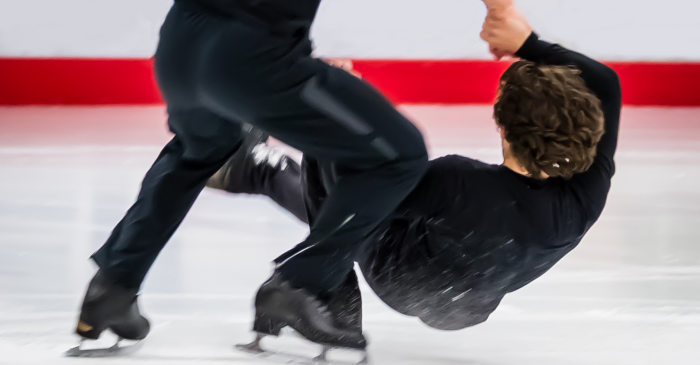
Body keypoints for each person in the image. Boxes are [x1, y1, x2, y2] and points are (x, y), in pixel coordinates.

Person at [208, 4, 622, 332]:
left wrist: (341, 102)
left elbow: (357, 200)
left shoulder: (459, 184)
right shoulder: (588, 193)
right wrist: (530, 43)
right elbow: (606, 83)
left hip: (402, 279)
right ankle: (258, 170)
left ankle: (321, 279)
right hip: (469, 308)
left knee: (345, 160)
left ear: (501, 123)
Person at [72, 0, 438, 353]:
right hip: (252, 56)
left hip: (180, 46)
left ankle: (114, 285)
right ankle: (299, 285)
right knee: (397, 154)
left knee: (196, 150)